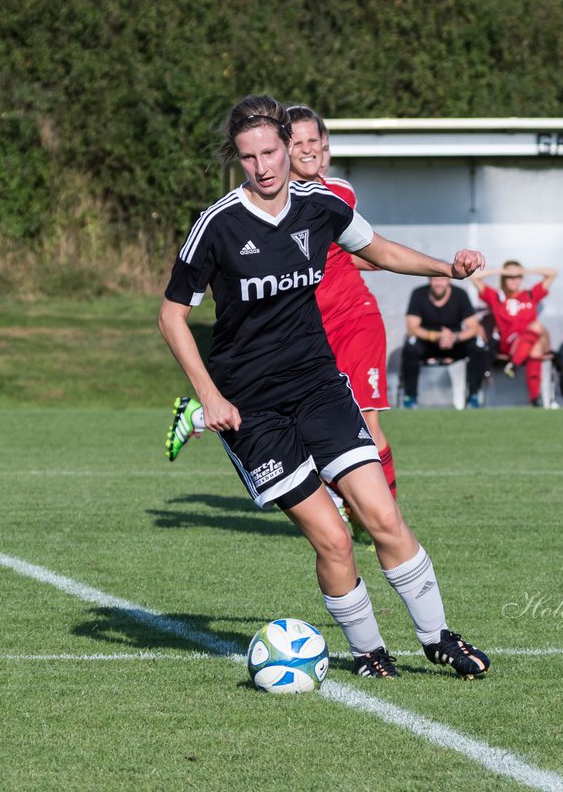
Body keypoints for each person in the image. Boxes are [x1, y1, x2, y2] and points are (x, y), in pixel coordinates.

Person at [158, 94, 490, 680]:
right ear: (237, 160)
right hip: (254, 411)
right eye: (247, 156)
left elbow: (380, 250)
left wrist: (448, 268)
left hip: (318, 387)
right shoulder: (218, 225)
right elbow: (171, 315)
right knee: (335, 542)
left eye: (270, 151)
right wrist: (209, 394)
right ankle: (368, 652)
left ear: (290, 146)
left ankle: (439, 638)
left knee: (384, 518)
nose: (261, 167)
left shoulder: (320, 205)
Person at [167, 105, 400, 530]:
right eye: (300, 143)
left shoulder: (333, 196)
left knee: (366, 421)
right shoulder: (236, 216)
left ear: (326, 150)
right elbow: (173, 313)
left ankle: (377, 519)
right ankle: (201, 414)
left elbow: (367, 250)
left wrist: (438, 267)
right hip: (301, 336)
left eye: (316, 143)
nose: (308, 150)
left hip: (352, 320)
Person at [471, 260, 557, 406]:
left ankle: (534, 399)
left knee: (536, 345)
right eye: (510, 276)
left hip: (530, 343)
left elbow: (552, 273)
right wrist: (500, 271)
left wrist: (525, 271)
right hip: (509, 344)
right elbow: (474, 278)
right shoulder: (496, 296)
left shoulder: (530, 294)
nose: (514, 279)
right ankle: (532, 391)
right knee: (537, 327)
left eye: (517, 276)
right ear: (504, 277)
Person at [400, 276, 492, 409]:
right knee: (410, 346)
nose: (439, 283)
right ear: (429, 280)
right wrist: (435, 336)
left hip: (454, 342)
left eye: (442, 279)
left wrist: (455, 337)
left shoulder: (460, 294)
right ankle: (410, 397)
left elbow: (473, 327)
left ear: (449, 280)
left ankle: (473, 396)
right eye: (435, 279)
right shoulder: (418, 293)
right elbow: (412, 328)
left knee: (477, 346)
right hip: (428, 342)